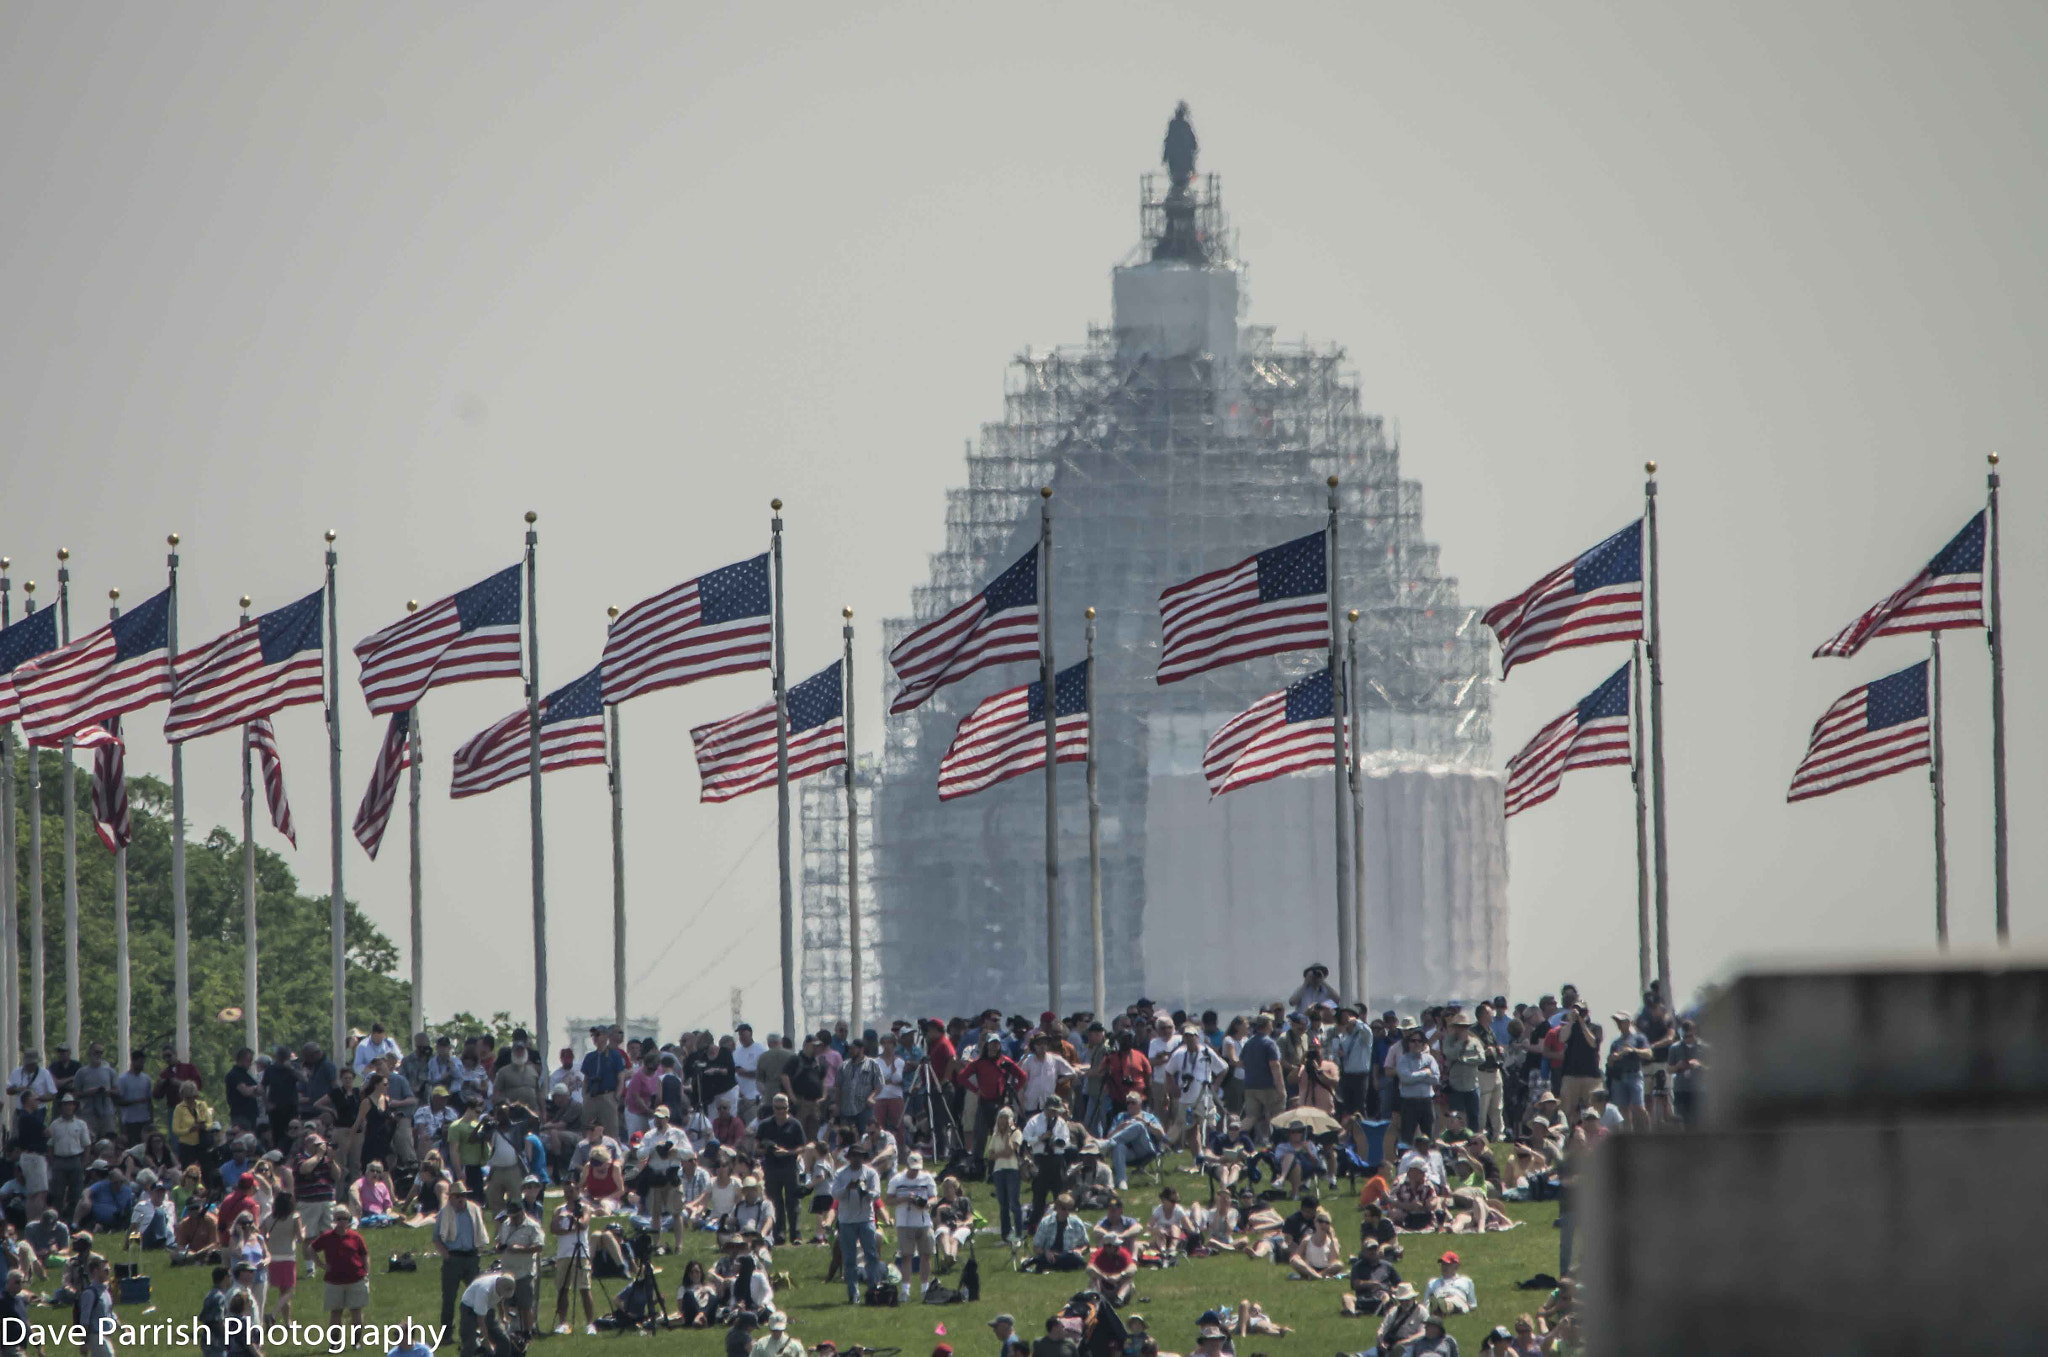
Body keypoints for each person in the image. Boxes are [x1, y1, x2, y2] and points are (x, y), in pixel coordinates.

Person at [433, 1183, 490, 1338]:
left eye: (463, 1195)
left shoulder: (474, 1210)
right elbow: (436, 1238)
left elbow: (480, 1232)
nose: (461, 1199)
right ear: (450, 1197)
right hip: (453, 1258)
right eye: (457, 1196)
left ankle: (479, 1331)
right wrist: (446, 1255)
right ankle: (446, 1335)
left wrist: (478, 1251)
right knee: (449, 1299)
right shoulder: (445, 1213)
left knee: (478, 1296)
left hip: (471, 1258)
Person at [827, 1144, 881, 1304]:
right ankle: (853, 1294)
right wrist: (847, 1188)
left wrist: (865, 1192)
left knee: (871, 1255)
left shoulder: (870, 1173)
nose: (856, 1158)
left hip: (866, 1219)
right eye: (854, 1155)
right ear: (849, 1157)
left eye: (860, 1155)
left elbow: (877, 1193)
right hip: (846, 1221)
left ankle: (873, 1289)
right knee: (849, 1259)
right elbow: (834, 1193)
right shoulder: (840, 1174)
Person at [548, 1182, 599, 1336]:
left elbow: (583, 1225)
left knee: (584, 1288)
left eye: (570, 1191)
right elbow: (553, 1229)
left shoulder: (584, 1208)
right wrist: (562, 1219)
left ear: (577, 1191)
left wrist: (572, 1218)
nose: (568, 1194)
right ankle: (562, 1322)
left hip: (581, 1253)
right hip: (564, 1253)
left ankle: (590, 1323)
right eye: (566, 1191)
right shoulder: (559, 1209)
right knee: (563, 1289)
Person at [308, 1205, 368, 1329]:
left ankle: (356, 1341)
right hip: (334, 1281)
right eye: (338, 1218)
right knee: (335, 1313)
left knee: (356, 1311)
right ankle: (335, 1342)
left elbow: (364, 1254)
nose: (341, 1222)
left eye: (344, 1218)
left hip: (355, 1279)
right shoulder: (327, 1237)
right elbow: (311, 1249)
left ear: (348, 1220)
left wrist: (366, 1271)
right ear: (334, 1220)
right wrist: (321, 1264)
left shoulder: (355, 1237)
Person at [889, 1150, 937, 1296]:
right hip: (904, 1222)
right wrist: (905, 1199)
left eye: (917, 1169)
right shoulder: (897, 1180)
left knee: (926, 1255)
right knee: (906, 1256)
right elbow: (889, 1200)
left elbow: (934, 1197)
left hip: (923, 1221)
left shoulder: (927, 1178)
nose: (915, 1172)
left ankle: (925, 1288)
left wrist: (926, 1204)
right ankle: (905, 1290)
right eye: (913, 1169)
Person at [495, 1198, 543, 1337]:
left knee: (525, 1305)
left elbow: (539, 1246)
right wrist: (499, 1246)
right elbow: (499, 1240)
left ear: (522, 1212)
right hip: (507, 1272)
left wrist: (520, 1249)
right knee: (508, 1304)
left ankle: (528, 1331)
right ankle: (513, 1330)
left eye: (515, 1216)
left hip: (524, 1272)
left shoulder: (532, 1226)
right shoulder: (506, 1224)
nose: (513, 1219)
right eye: (511, 1216)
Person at [985, 1107, 1026, 1244]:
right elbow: (990, 1155)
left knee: (1014, 1203)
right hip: (998, 1171)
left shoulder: (1017, 1133)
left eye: (1006, 1117)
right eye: (1001, 1117)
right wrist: (1000, 1154)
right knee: (1003, 1204)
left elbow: (1010, 1151)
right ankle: (1006, 1234)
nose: (1003, 1120)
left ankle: (1019, 1233)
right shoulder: (995, 1136)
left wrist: (1009, 1133)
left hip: (1012, 1170)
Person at [459, 1270, 517, 1357]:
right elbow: (481, 1320)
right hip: (469, 1308)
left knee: (504, 1341)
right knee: (470, 1344)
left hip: (488, 1307)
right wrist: (487, 1343)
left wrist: (502, 1318)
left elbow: (500, 1300)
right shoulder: (484, 1291)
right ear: (499, 1287)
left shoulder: (502, 1282)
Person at [1030, 1193, 1087, 1271]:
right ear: (1057, 1208)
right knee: (1041, 1259)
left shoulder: (1077, 1222)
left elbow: (1086, 1245)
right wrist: (1046, 1252)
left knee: (1073, 1257)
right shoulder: (1046, 1222)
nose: (1066, 1212)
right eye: (1064, 1209)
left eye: (1069, 1209)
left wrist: (1079, 1250)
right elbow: (1036, 1247)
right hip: (1050, 1255)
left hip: (1068, 1255)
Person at [1085, 1230, 1135, 1306]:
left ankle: (1119, 1299)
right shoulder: (1098, 1254)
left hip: (1118, 1285)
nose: (1118, 1248)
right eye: (1115, 1246)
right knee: (1094, 1278)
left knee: (1128, 1279)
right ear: (1107, 1247)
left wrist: (1120, 1275)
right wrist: (1104, 1276)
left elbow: (1133, 1268)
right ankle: (1096, 1299)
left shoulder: (1123, 1252)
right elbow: (1089, 1268)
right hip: (1103, 1285)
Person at [1376, 1282, 1428, 1355]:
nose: (1404, 1303)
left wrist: (1406, 1341)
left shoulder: (1421, 1311)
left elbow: (1423, 1333)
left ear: (1413, 1298)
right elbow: (1383, 1327)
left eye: (1407, 1300)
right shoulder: (1394, 1311)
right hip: (1390, 1344)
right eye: (1402, 1300)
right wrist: (1380, 1340)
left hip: (1410, 1346)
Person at [1426, 1250, 1477, 1316]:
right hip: (1439, 1297)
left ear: (1456, 1266)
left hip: (1457, 1302)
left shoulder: (1465, 1281)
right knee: (1435, 1300)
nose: (1444, 1267)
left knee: (1453, 1301)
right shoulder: (1433, 1283)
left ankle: (1443, 1307)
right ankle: (1439, 1306)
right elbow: (1426, 1304)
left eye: (1447, 1264)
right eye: (1443, 1264)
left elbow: (1472, 1305)